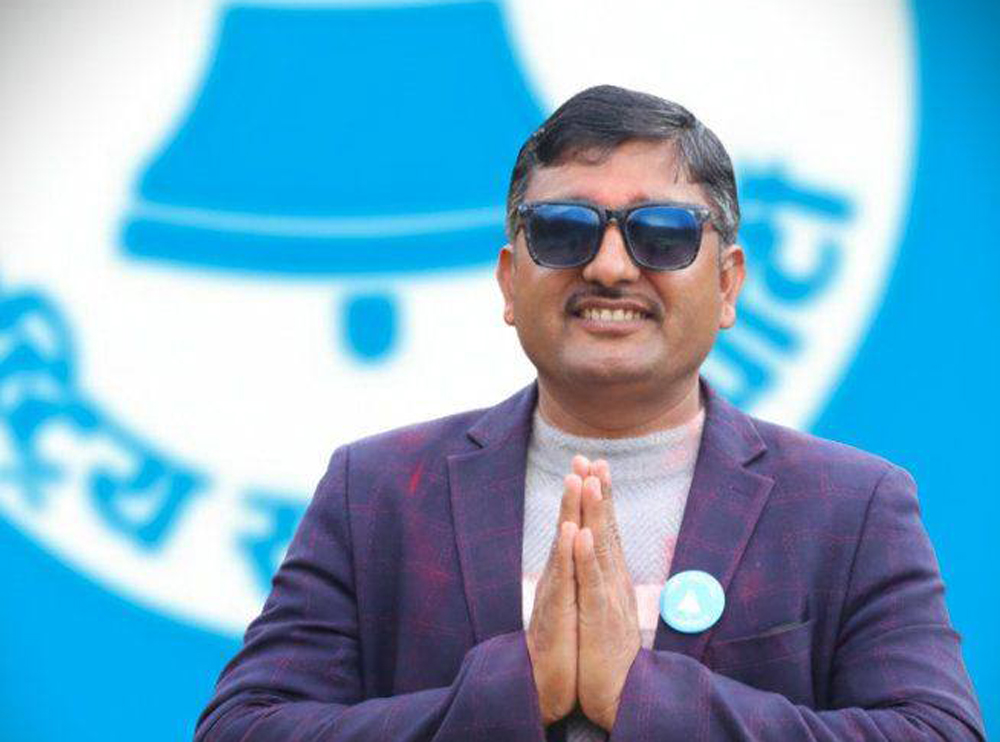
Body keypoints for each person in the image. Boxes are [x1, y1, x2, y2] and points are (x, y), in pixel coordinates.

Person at [193, 85, 984, 741]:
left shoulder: (850, 504)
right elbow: (242, 728)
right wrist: (515, 691)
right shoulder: (377, 490)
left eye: (662, 234)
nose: (609, 267)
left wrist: (642, 696)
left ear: (728, 284)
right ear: (510, 281)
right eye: (563, 230)